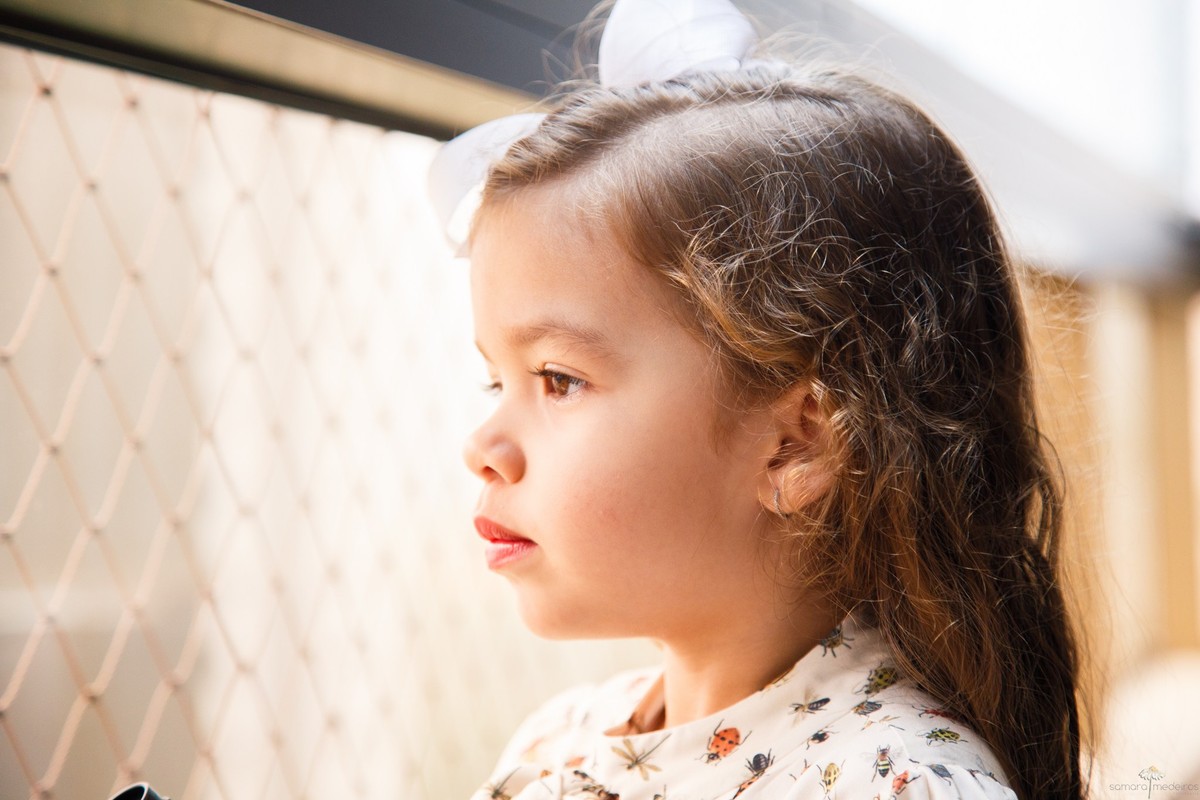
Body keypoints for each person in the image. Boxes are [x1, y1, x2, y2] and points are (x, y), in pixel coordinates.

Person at [429, 1, 1088, 798]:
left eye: (558, 379)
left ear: (795, 443)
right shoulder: (556, 742)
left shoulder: (895, 782)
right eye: (496, 381)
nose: (482, 446)